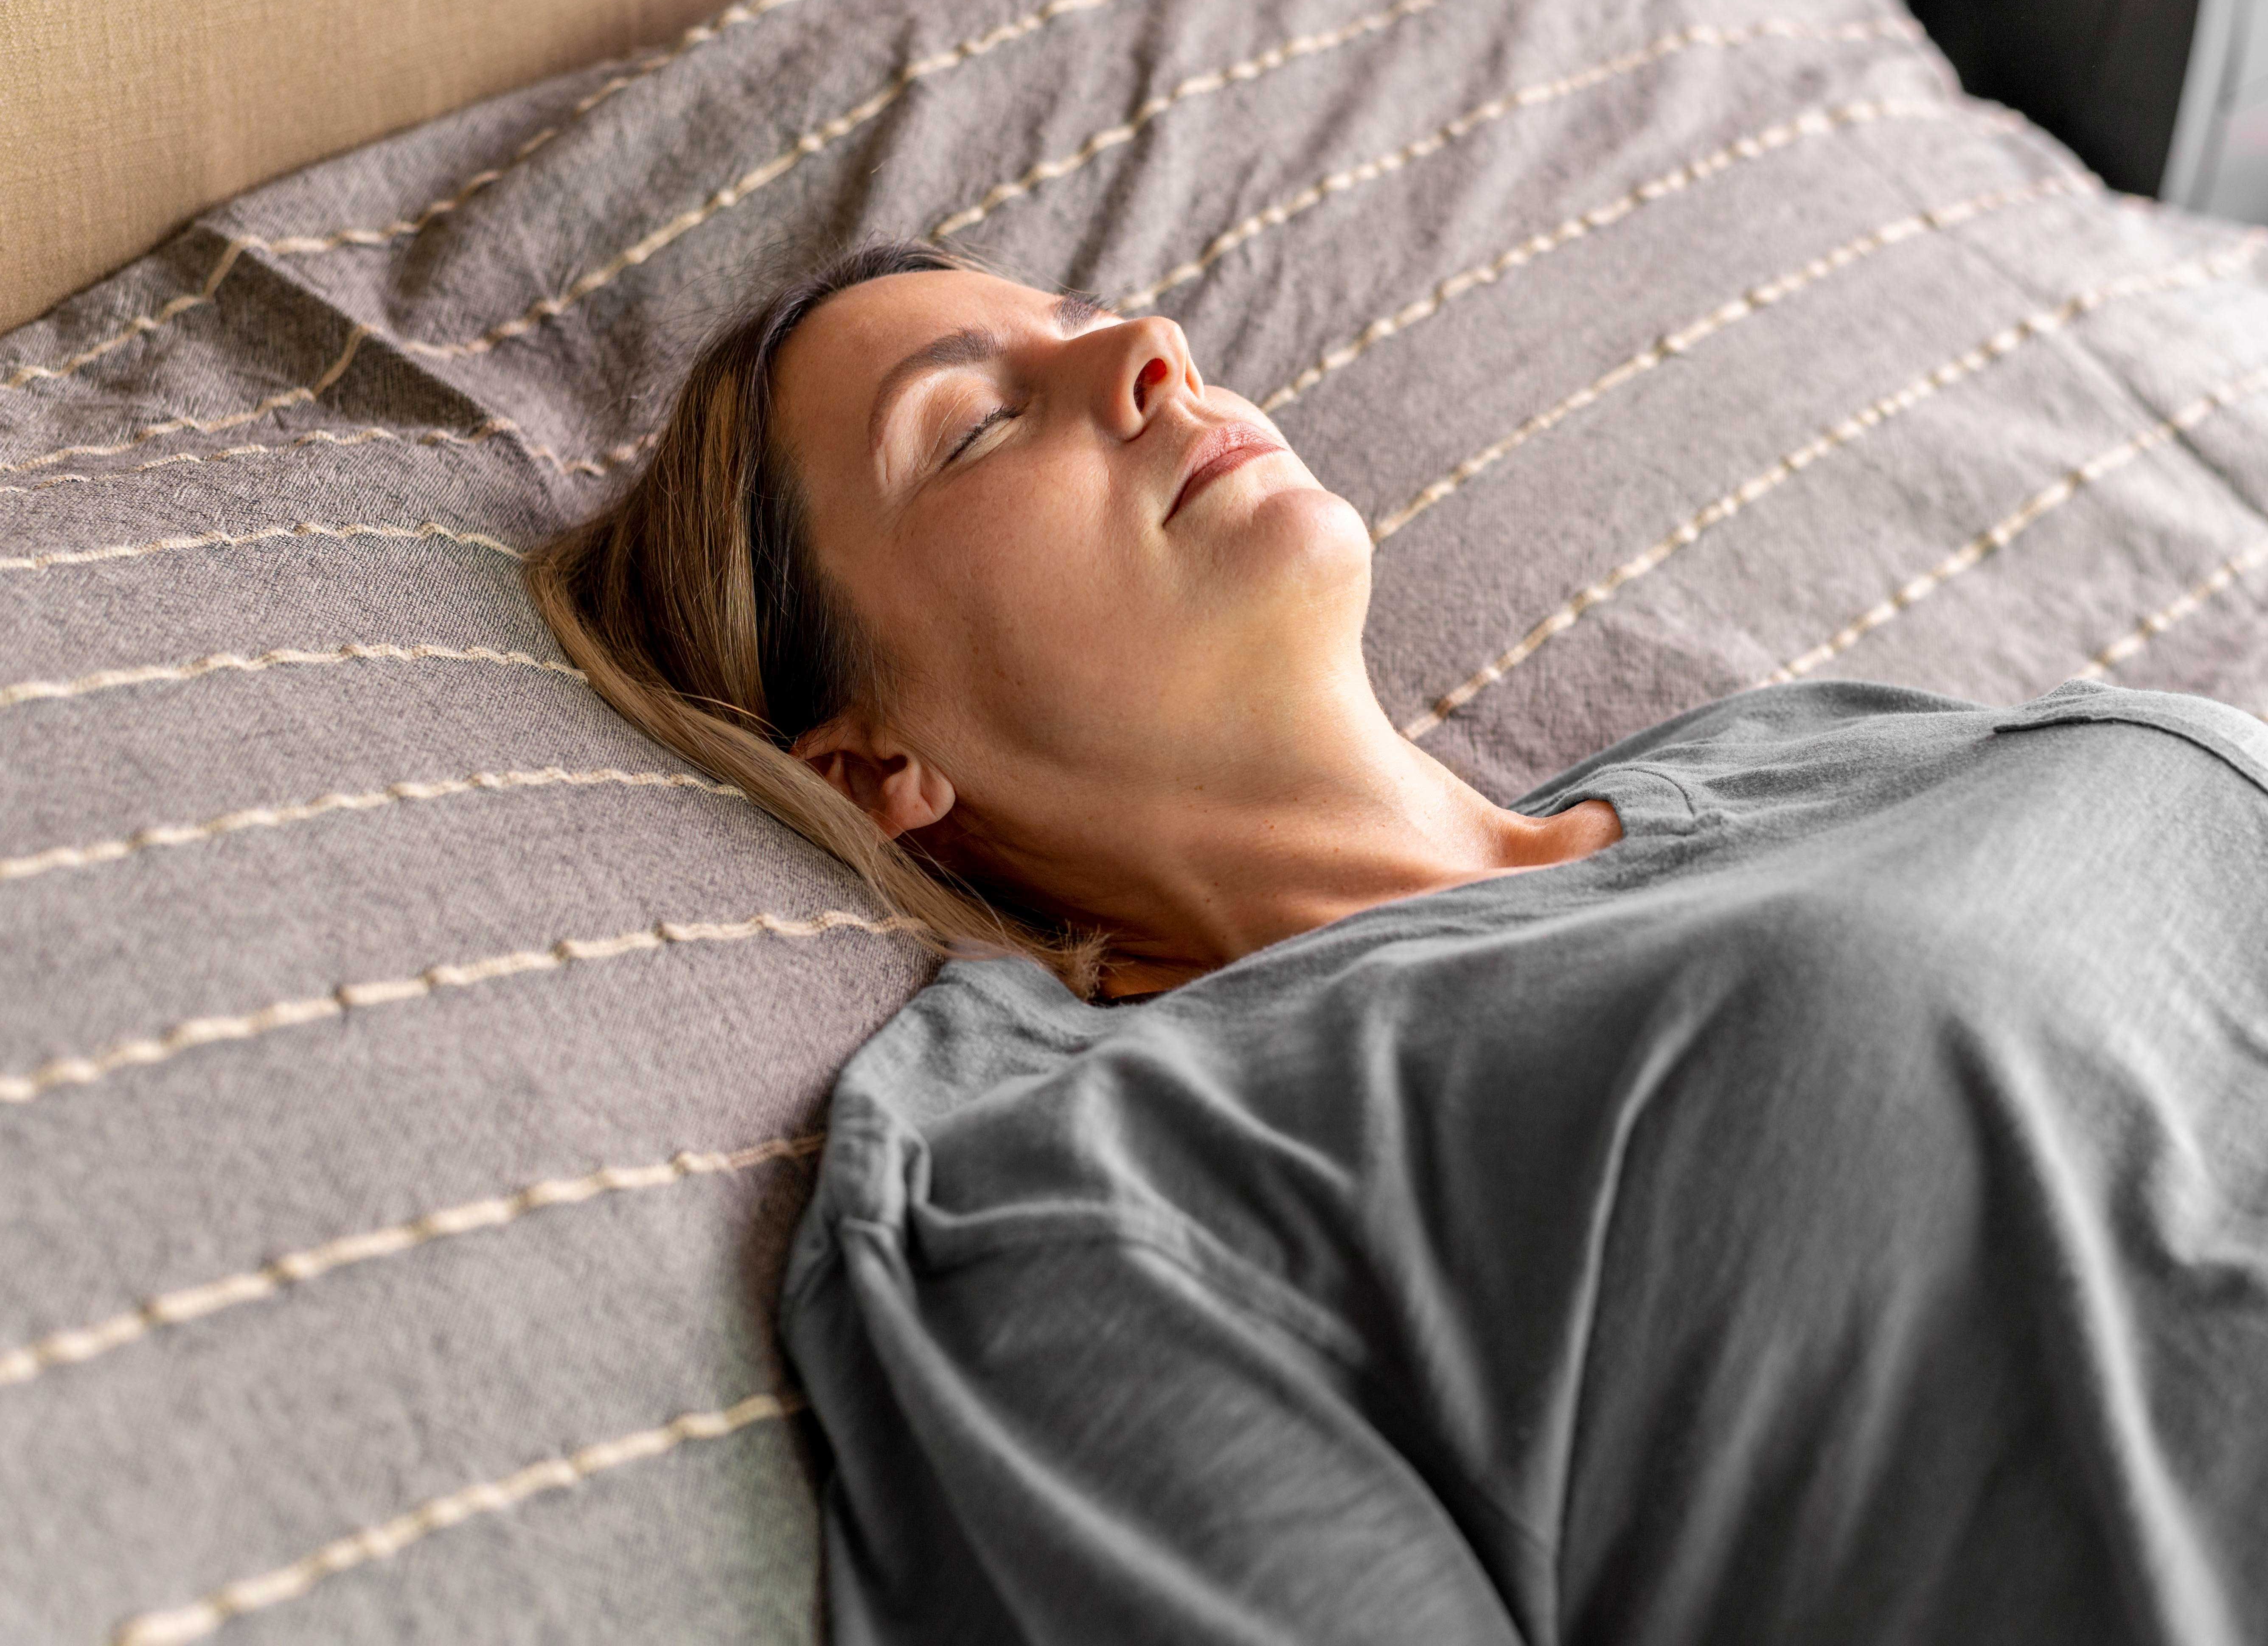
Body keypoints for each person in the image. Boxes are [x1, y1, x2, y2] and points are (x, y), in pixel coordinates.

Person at [527, 239, 2268, 1644]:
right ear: (875, 759)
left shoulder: (1800, 744)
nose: (1147, 347)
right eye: (979, 425)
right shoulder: (1081, 1185)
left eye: (1084, 317)